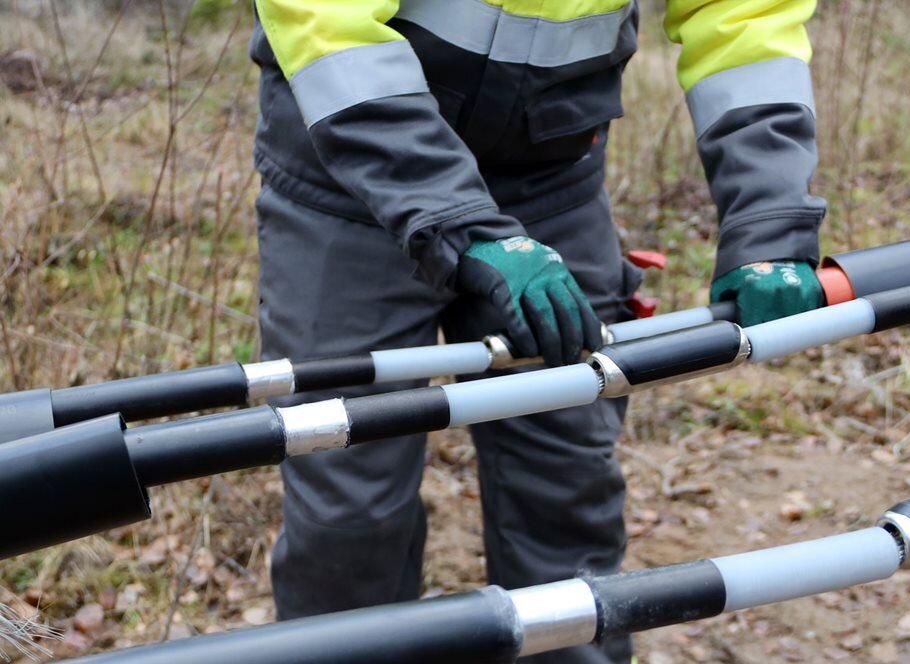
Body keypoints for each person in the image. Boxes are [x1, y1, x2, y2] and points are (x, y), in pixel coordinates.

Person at [249, 1, 826, 662]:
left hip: (551, 174)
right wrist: (461, 222)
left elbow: (744, 20)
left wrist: (770, 218)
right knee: (348, 511)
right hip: (350, 172)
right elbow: (326, 23)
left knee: (565, 485)